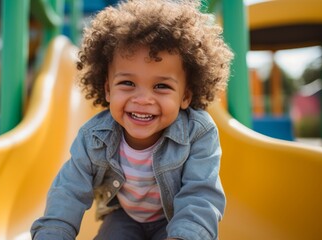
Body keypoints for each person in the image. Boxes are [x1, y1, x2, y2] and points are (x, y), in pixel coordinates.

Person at [31, 0, 233, 239]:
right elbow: (68, 191)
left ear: (185, 96)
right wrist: (53, 233)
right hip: (123, 217)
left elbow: (200, 195)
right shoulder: (94, 137)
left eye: (161, 86)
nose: (143, 99)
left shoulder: (198, 132)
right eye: (127, 83)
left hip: (176, 217)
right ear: (108, 90)